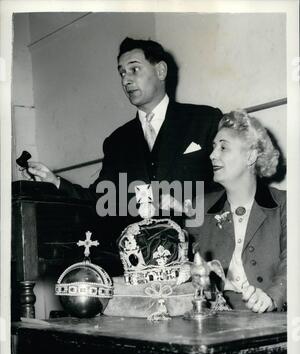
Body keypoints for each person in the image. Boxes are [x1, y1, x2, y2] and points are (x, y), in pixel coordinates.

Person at [25, 37, 222, 252]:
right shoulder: (117, 141)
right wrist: (55, 182)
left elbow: (227, 188)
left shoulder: (205, 120)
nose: (125, 80)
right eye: (122, 73)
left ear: (161, 71)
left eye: (134, 69)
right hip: (139, 262)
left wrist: (189, 207)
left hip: (200, 253)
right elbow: (101, 199)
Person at [185, 110, 286, 313]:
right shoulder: (199, 207)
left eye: (223, 147)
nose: (212, 155)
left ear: (250, 156)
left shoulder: (285, 204)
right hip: (214, 322)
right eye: (214, 147)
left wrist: (272, 296)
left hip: (272, 321)